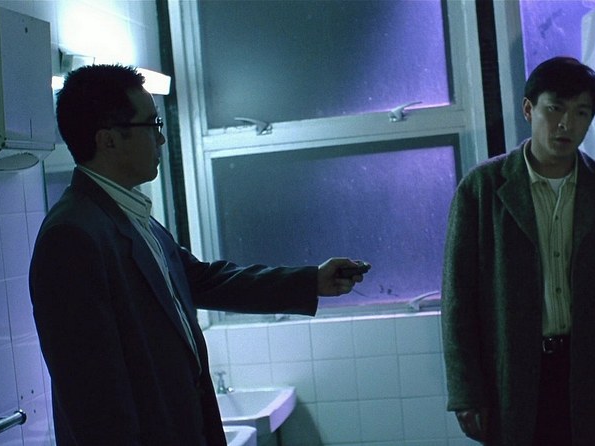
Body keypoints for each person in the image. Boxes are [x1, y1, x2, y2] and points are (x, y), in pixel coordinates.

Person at [29, 64, 365, 446]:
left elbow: (206, 281)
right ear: (108, 140)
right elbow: (93, 398)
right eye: (152, 125)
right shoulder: (72, 236)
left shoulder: (127, 216)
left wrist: (311, 281)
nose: (161, 139)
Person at [440, 57, 595, 446]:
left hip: (590, 374)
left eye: (581, 112)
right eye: (554, 108)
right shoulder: (482, 189)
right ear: (528, 109)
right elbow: (458, 302)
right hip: (511, 375)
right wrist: (466, 391)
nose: (566, 124)